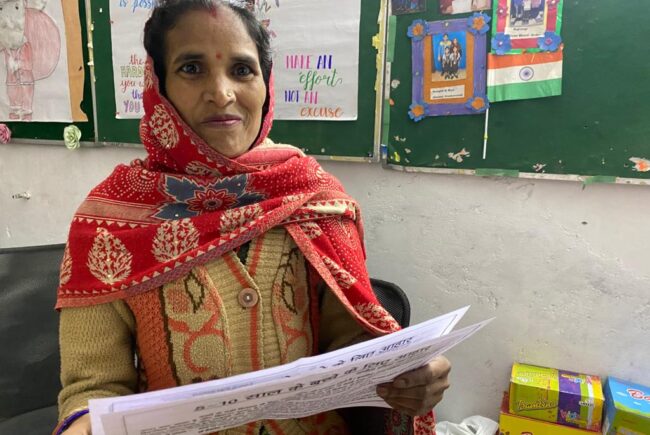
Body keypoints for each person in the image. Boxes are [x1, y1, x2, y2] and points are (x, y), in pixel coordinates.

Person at [54, 1, 451, 434]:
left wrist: (410, 378)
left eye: (242, 70)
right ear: (159, 86)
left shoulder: (314, 200)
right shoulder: (110, 223)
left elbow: (352, 349)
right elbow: (94, 388)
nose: (222, 93)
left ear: (266, 83)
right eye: (191, 68)